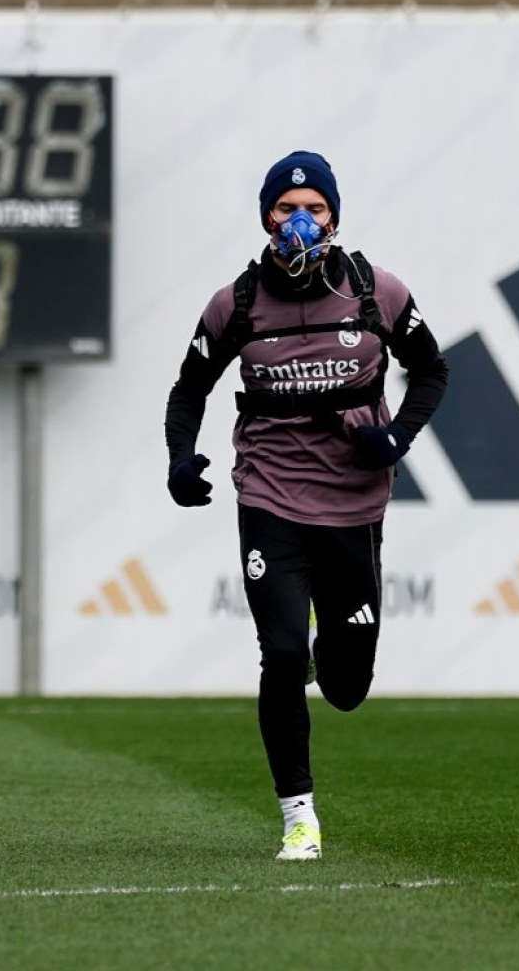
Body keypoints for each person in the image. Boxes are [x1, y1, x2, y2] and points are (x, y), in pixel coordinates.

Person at [164, 151, 449, 860]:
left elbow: (431, 369)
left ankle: (331, 643)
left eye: (314, 209)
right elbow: (190, 387)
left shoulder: (376, 291)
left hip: (353, 502)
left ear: (334, 217)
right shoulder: (236, 303)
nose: (301, 220)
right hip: (269, 495)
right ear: (266, 217)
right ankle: (299, 818)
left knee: (347, 686)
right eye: (287, 208)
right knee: (283, 654)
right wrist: (180, 459)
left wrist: (398, 437)